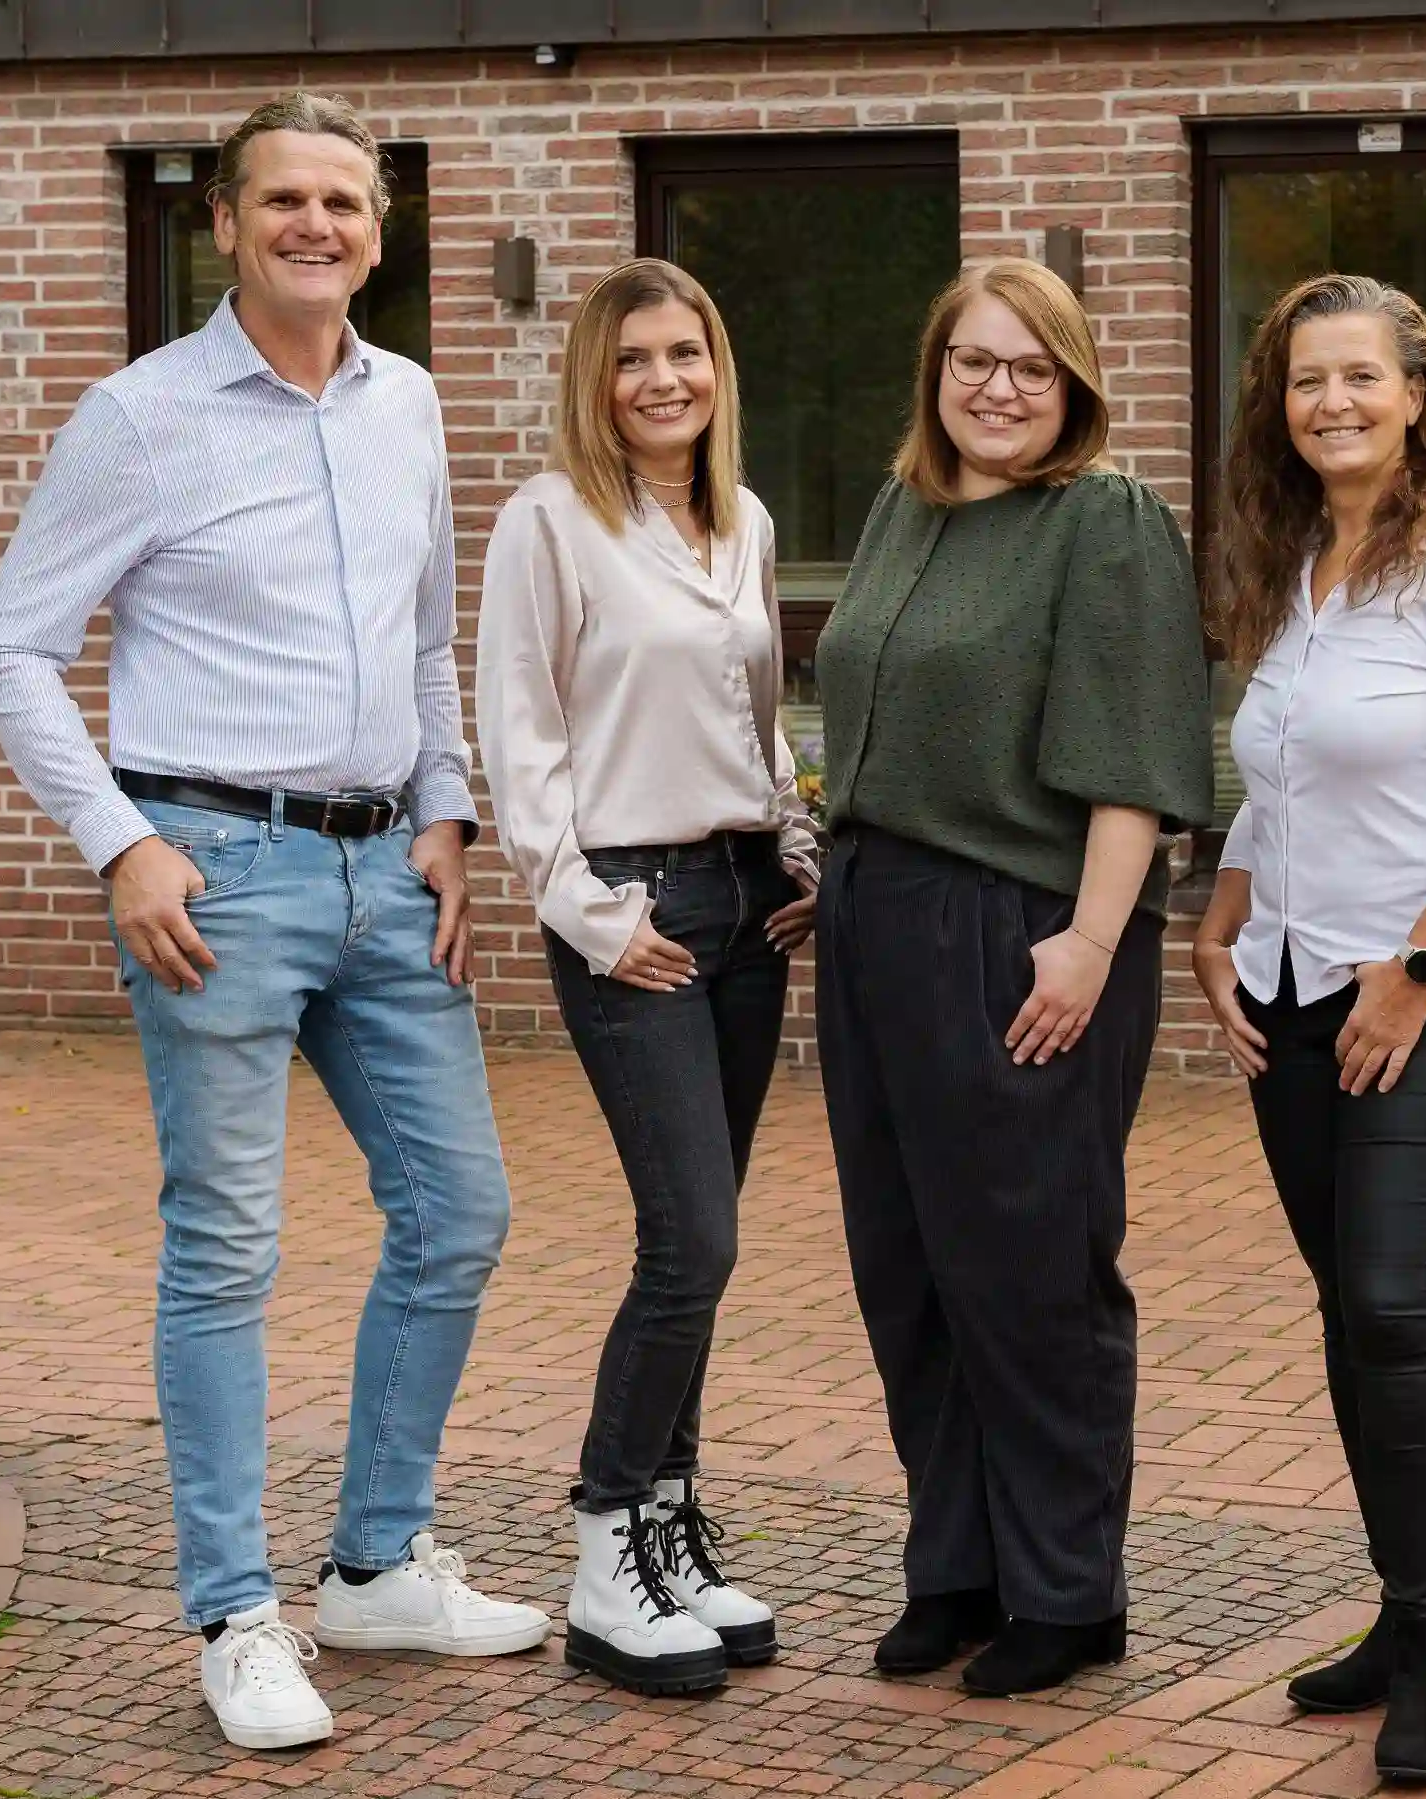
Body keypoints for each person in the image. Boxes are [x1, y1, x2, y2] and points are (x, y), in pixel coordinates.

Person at [0, 92, 547, 1752]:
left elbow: (425, 638)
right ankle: (234, 1611)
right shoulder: (140, 416)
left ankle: (374, 1563)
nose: (316, 225)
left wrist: (445, 812)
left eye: (344, 203)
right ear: (222, 222)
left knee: (459, 1209)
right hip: (212, 875)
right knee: (226, 1245)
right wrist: (121, 845)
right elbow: (12, 647)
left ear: (379, 230)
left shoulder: (409, 402)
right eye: (283, 199)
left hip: (387, 872)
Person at [812, 259, 1213, 1698]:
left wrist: (1092, 942)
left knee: (1030, 1267)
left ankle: (1065, 1589)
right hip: (875, 920)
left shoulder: (1100, 520)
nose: (997, 390)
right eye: (973, 361)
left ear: (1073, 385)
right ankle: (958, 1567)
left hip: (1021, 928)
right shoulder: (905, 503)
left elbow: (1137, 760)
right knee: (907, 1263)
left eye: (1031, 368)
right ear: (936, 371)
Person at [1191, 273, 1426, 1786]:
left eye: (1359, 377)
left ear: (1418, 394)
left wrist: (1412, 967)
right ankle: (1404, 1618)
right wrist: (1217, 921)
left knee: (1400, 1306)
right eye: (1304, 381)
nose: (1330, 402)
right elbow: (1277, 785)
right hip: (1290, 997)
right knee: (1351, 1311)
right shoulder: (1294, 572)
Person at [477, 258, 820, 1697]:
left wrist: (797, 842)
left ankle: (671, 1525)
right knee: (693, 1241)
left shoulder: (741, 518)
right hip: (636, 910)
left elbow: (757, 714)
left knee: (704, 1235)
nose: (663, 380)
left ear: (716, 366)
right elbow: (519, 734)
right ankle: (607, 1545)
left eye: (686, 352)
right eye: (633, 359)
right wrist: (586, 910)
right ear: (594, 379)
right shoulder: (548, 523)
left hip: (745, 903)